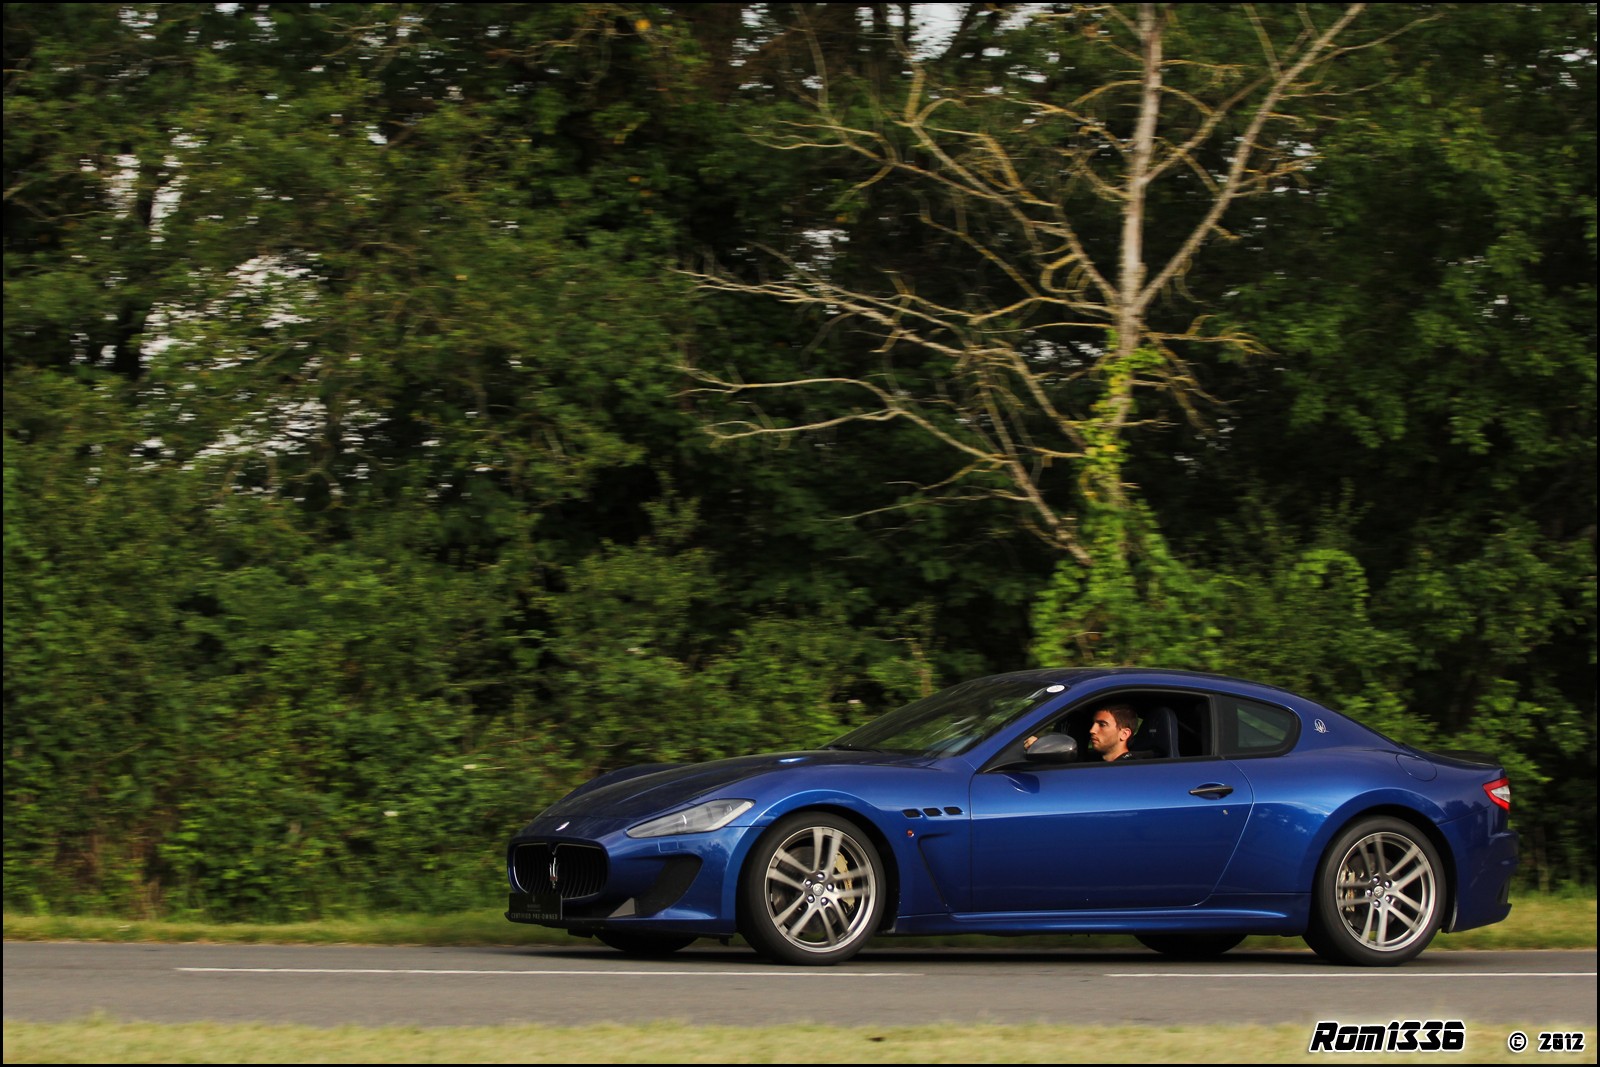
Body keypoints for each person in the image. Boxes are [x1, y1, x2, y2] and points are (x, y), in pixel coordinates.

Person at [1025, 702, 1139, 762]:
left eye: (1102, 725)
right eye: (1093, 724)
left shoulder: (1131, 769)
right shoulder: (1095, 762)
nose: (1092, 730)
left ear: (1124, 734)